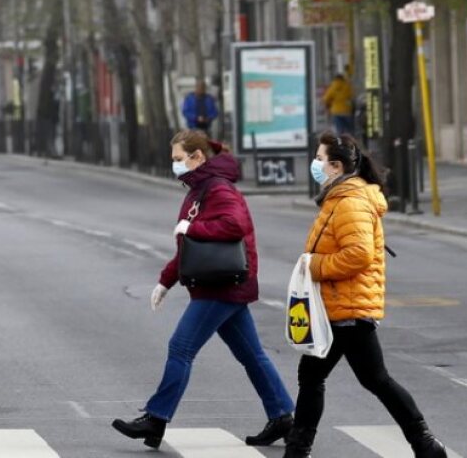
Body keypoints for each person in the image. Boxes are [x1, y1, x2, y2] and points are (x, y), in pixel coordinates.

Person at [113, 130, 295, 449]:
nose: (175, 166)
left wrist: (192, 226)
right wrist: (165, 281)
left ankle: (156, 419)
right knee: (251, 355)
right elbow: (191, 247)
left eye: (178, 159)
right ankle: (283, 417)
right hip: (222, 283)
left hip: (221, 286)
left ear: (197, 157)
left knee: (181, 348)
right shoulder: (199, 189)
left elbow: (234, 225)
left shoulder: (218, 189)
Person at [283, 132, 446, 458]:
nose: (315, 164)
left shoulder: (350, 202)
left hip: (348, 308)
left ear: (336, 165)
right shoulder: (338, 197)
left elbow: (358, 254)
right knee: (337, 377)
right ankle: (424, 444)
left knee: (370, 379)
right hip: (339, 305)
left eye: (319, 158)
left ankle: (425, 443)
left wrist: (315, 266)